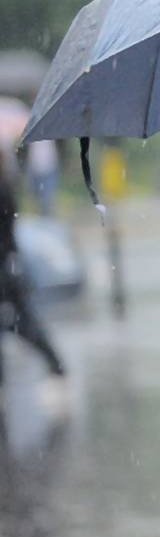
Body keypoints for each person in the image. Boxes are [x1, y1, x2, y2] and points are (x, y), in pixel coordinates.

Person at [0, 152, 66, 402]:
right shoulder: (5, 185)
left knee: (23, 323)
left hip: (5, 271)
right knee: (22, 323)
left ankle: (56, 367)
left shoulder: (3, 188)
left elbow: (7, 234)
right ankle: (56, 366)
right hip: (8, 268)